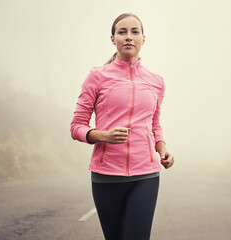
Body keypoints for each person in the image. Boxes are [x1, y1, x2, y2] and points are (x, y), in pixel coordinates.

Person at [70, 13, 174, 240]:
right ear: (113, 38)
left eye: (135, 32)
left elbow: (154, 123)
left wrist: (162, 148)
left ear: (143, 39)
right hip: (106, 176)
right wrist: (102, 135)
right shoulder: (97, 77)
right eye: (122, 32)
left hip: (146, 174)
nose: (129, 37)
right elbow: (77, 126)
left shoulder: (156, 81)